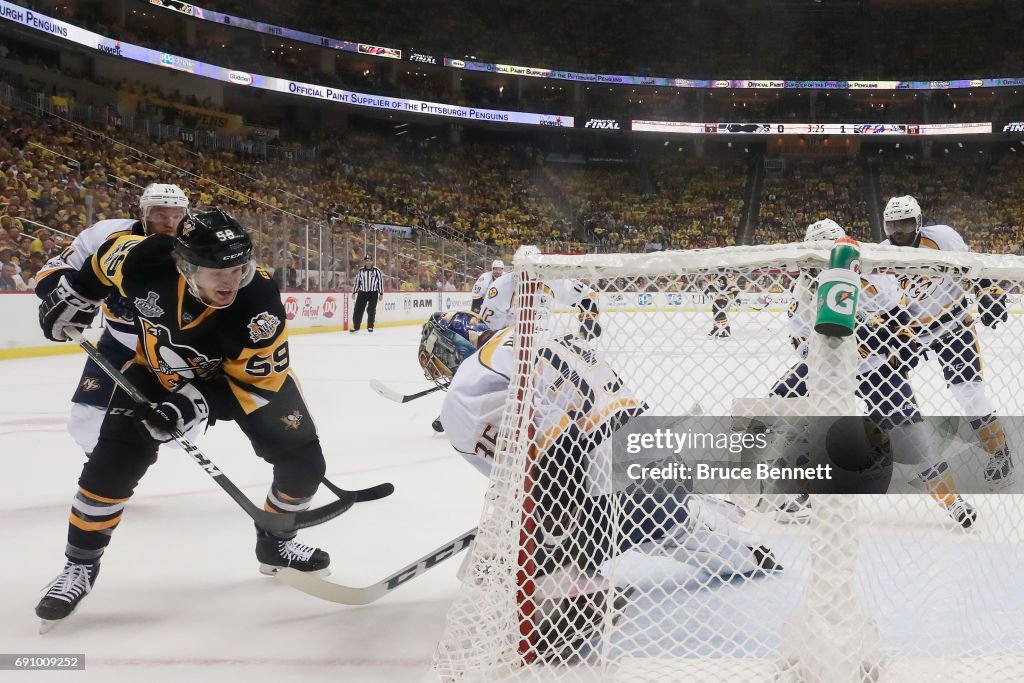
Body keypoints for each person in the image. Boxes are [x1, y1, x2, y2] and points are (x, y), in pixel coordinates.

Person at [34, 208, 333, 630]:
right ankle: (79, 567)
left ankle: (276, 544)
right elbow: (102, 259)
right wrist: (76, 295)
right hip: (158, 371)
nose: (231, 280)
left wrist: (195, 402)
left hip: (240, 380)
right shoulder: (145, 260)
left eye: (239, 267)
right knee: (110, 468)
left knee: (305, 466)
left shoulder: (257, 306)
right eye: (218, 271)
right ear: (186, 266)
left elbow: (257, 384)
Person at [419, 311, 780, 655]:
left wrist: (543, 540)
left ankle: (574, 593)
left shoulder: (467, 385)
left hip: (616, 485)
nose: (437, 366)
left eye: (437, 354)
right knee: (670, 527)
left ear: (456, 346)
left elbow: (555, 456)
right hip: (657, 459)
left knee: (491, 569)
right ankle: (746, 545)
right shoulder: (540, 335)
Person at [770, 218, 976, 528]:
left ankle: (951, 499)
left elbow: (900, 321)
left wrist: (892, 342)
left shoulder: (875, 277)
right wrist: (854, 343)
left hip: (875, 369)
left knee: (912, 435)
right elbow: (801, 345)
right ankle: (797, 488)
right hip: (828, 368)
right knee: (783, 407)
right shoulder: (803, 291)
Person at [34, 183, 190, 456]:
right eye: (160, 214)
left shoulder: (198, 245)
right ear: (143, 213)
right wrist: (88, 293)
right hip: (119, 341)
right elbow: (52, 273)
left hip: (173, 347)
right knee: (85, 421)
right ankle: (105, 471)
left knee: (179, 426)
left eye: (176, 215)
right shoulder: (106, 234)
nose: (169, 223)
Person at [881, 195, 1014, 488]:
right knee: (886, 391)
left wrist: (987, 292)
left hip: (953, 324)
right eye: (892, 225)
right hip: (911, 333)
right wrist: (892, 332)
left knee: (970, 394)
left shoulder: (942, 238)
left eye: (904, 224)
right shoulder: (880, 255)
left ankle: (1000, 453)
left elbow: (973, 269)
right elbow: (880, 302)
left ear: (917, 223)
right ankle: (923, 460)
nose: (898, 232)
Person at [478, 272, 602, 341]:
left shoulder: (553, 281)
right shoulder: (500, 286)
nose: (530, 278)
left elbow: (587, 295)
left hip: (542, 337)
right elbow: (488, 330)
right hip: (508, 339)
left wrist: (589, 319)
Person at [350, 255, 384, 333]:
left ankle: (370, 326)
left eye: (369, 261)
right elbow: (357, 282)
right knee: (358, 310)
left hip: (373, 293)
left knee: (371, 310)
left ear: (372, 262)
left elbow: (380, 282)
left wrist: (381, 293)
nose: (368, 262)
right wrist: (354, 292)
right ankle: (356, 327)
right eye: (366, 261)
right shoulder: (361, 271)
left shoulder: (376, 271)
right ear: (364, 262)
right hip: (362, 292)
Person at [706, 274, 741, 338]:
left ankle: (726, 330)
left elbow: (735, 289)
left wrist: (737, 298)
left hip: (725, 300)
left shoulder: (730, 281)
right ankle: (716, 330)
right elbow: (712, 285)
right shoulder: (720, 278)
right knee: (715, 315)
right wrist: (706, 290)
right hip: (717, 300)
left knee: (721, 315)